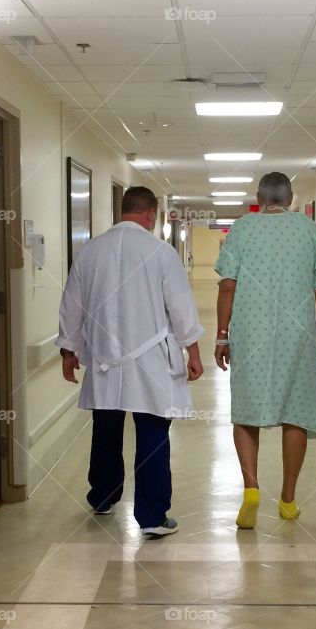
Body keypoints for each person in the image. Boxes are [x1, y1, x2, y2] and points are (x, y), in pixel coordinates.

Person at [56, 186, 203, 538]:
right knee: (152, 432)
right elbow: (180, 308)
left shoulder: (91, 251)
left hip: (105, 355)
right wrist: (193, 351)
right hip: (150, 358)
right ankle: (152, 516)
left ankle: (103, 496)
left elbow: (71, 304)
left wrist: (68, 350)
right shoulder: (161, 253)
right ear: (151, 214)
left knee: (106, 427)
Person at [214, 172, 316, 528]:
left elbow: (227, 286)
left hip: (250, 332)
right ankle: (287, 499)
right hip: (297, 336)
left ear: (258, 197)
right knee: (295, 413)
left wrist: (223, 335)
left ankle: (251, 489)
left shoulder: (242, 228)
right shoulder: (308, 229)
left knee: (246, 413)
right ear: (292, 198)